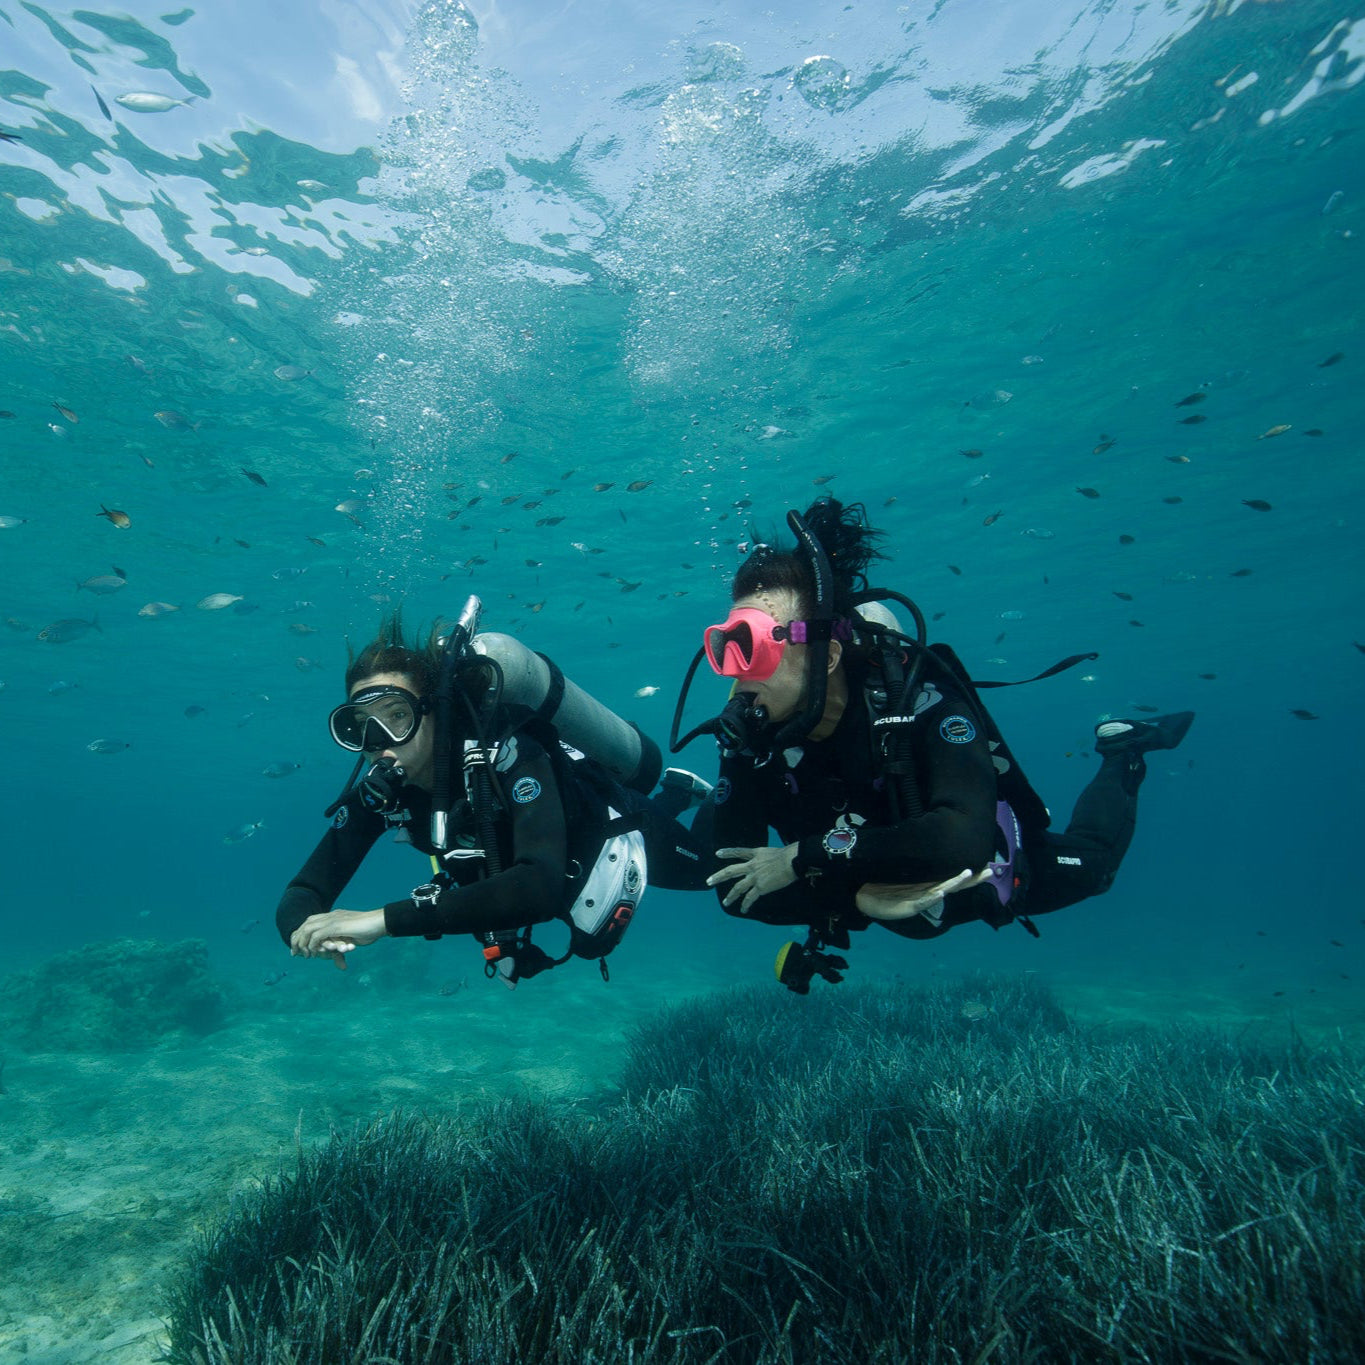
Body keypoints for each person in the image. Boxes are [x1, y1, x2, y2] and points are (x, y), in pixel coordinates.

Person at [670, 497, 1193, 993]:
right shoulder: (750, 736)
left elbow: (960, 839)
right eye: (725, 649)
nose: (738, 678)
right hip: (872, 884)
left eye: (752, 649)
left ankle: (1123, 750)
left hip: (985, 870)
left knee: (1097, 868)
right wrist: (860, 896)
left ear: (825, 656)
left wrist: (806, 857)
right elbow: (736, 891)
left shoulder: (921, 702)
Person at [277, 598, 714, 986]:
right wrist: (311, 931)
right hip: (534, 872)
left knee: (712, 874)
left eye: (397, 715)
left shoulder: (510, 755)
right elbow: (305, 889)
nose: (380, 740)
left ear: (433, 715)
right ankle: (675, 793)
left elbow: (537, 886)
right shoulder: (384, 793)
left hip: (609, 829)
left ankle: (676, 795)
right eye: (360, 726)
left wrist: (381, 921)